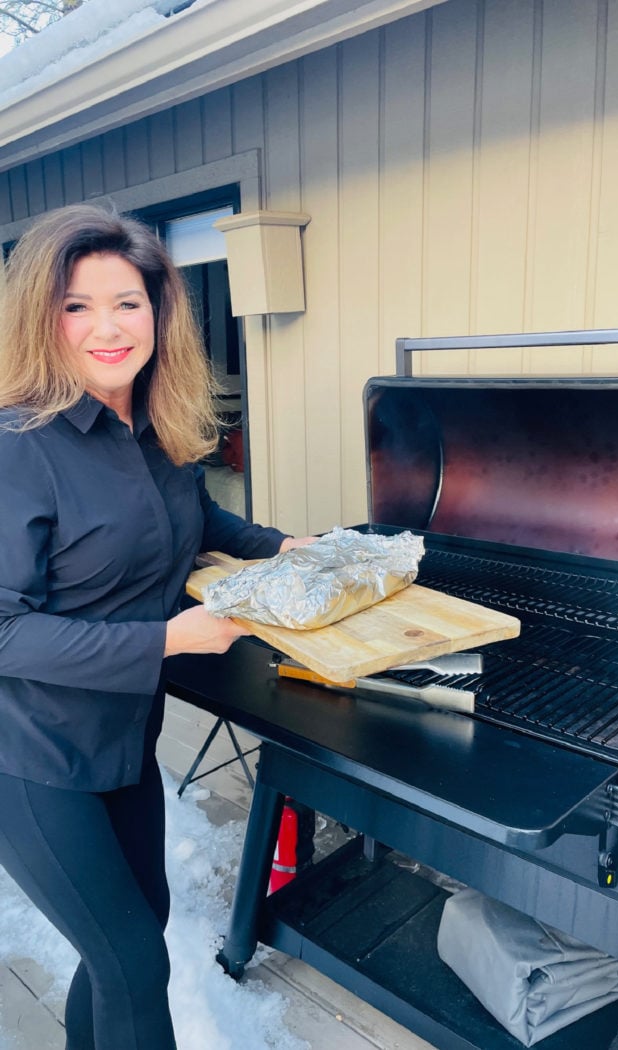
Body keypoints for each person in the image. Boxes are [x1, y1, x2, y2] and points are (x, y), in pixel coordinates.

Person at [0, 202, 314, 1050]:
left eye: (126, 302)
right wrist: (167, 642)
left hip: (125, 742)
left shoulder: (158, 429)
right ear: (43, 317)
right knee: (136, 964)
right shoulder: (19, 448)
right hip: (32, 760)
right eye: (77, 305)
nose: (106, 327)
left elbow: (195, 521)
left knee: (127, 947)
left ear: (158, 313)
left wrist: (285, 545)